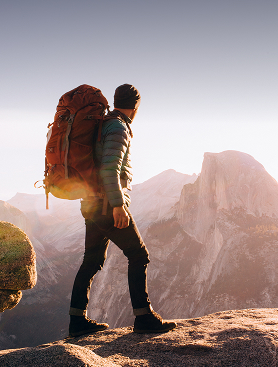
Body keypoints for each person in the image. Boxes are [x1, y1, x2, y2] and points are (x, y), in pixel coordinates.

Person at [68, 84, 177, 337]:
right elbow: (109, 169)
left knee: (91, 261)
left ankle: (77, 322)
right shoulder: (118, 127)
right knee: (139, 256)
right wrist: (118, 205)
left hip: (92, 203)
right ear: (135, 106)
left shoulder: (105, 123)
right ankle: (144, 317)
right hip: (107, 205)